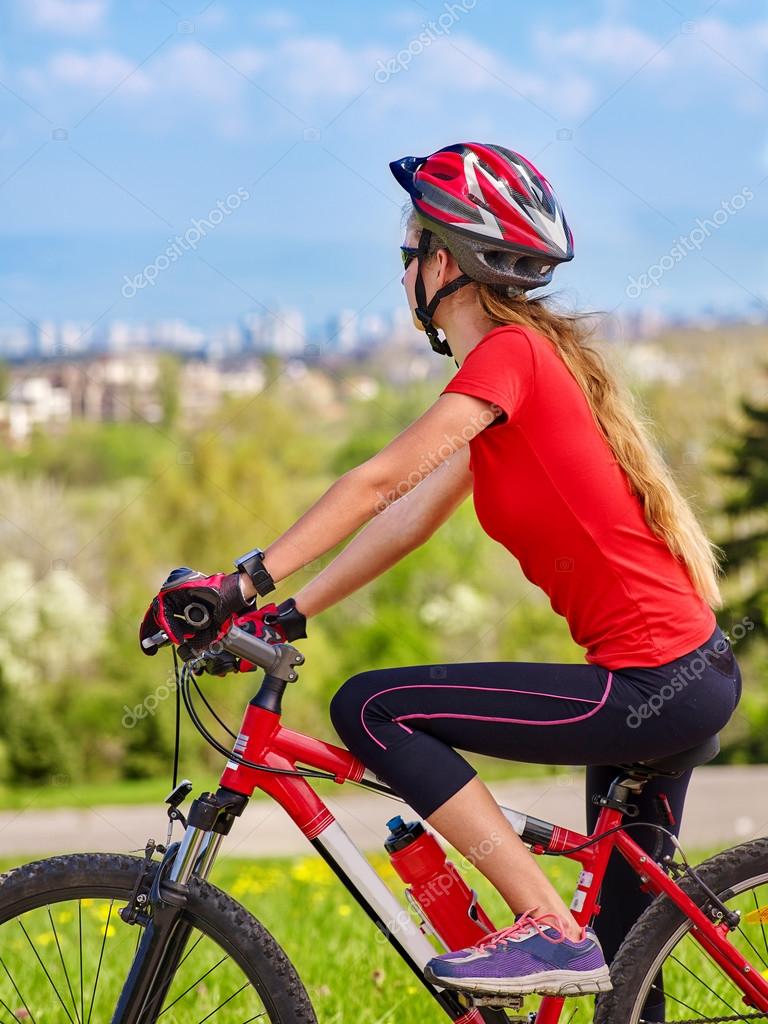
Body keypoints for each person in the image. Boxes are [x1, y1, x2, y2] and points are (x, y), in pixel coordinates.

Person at [140, 143, 742, 1009]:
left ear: (449, 262)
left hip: (652, 683)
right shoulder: (521, 370)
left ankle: (543, 922)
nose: (402, 271)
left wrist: (242, 584)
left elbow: (378, 481)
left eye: (408, 251)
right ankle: (575, 942)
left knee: (371, 707)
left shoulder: (510, 356)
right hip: (678, 677)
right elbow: (407, 518)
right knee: (625, 970)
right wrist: (290, 614)